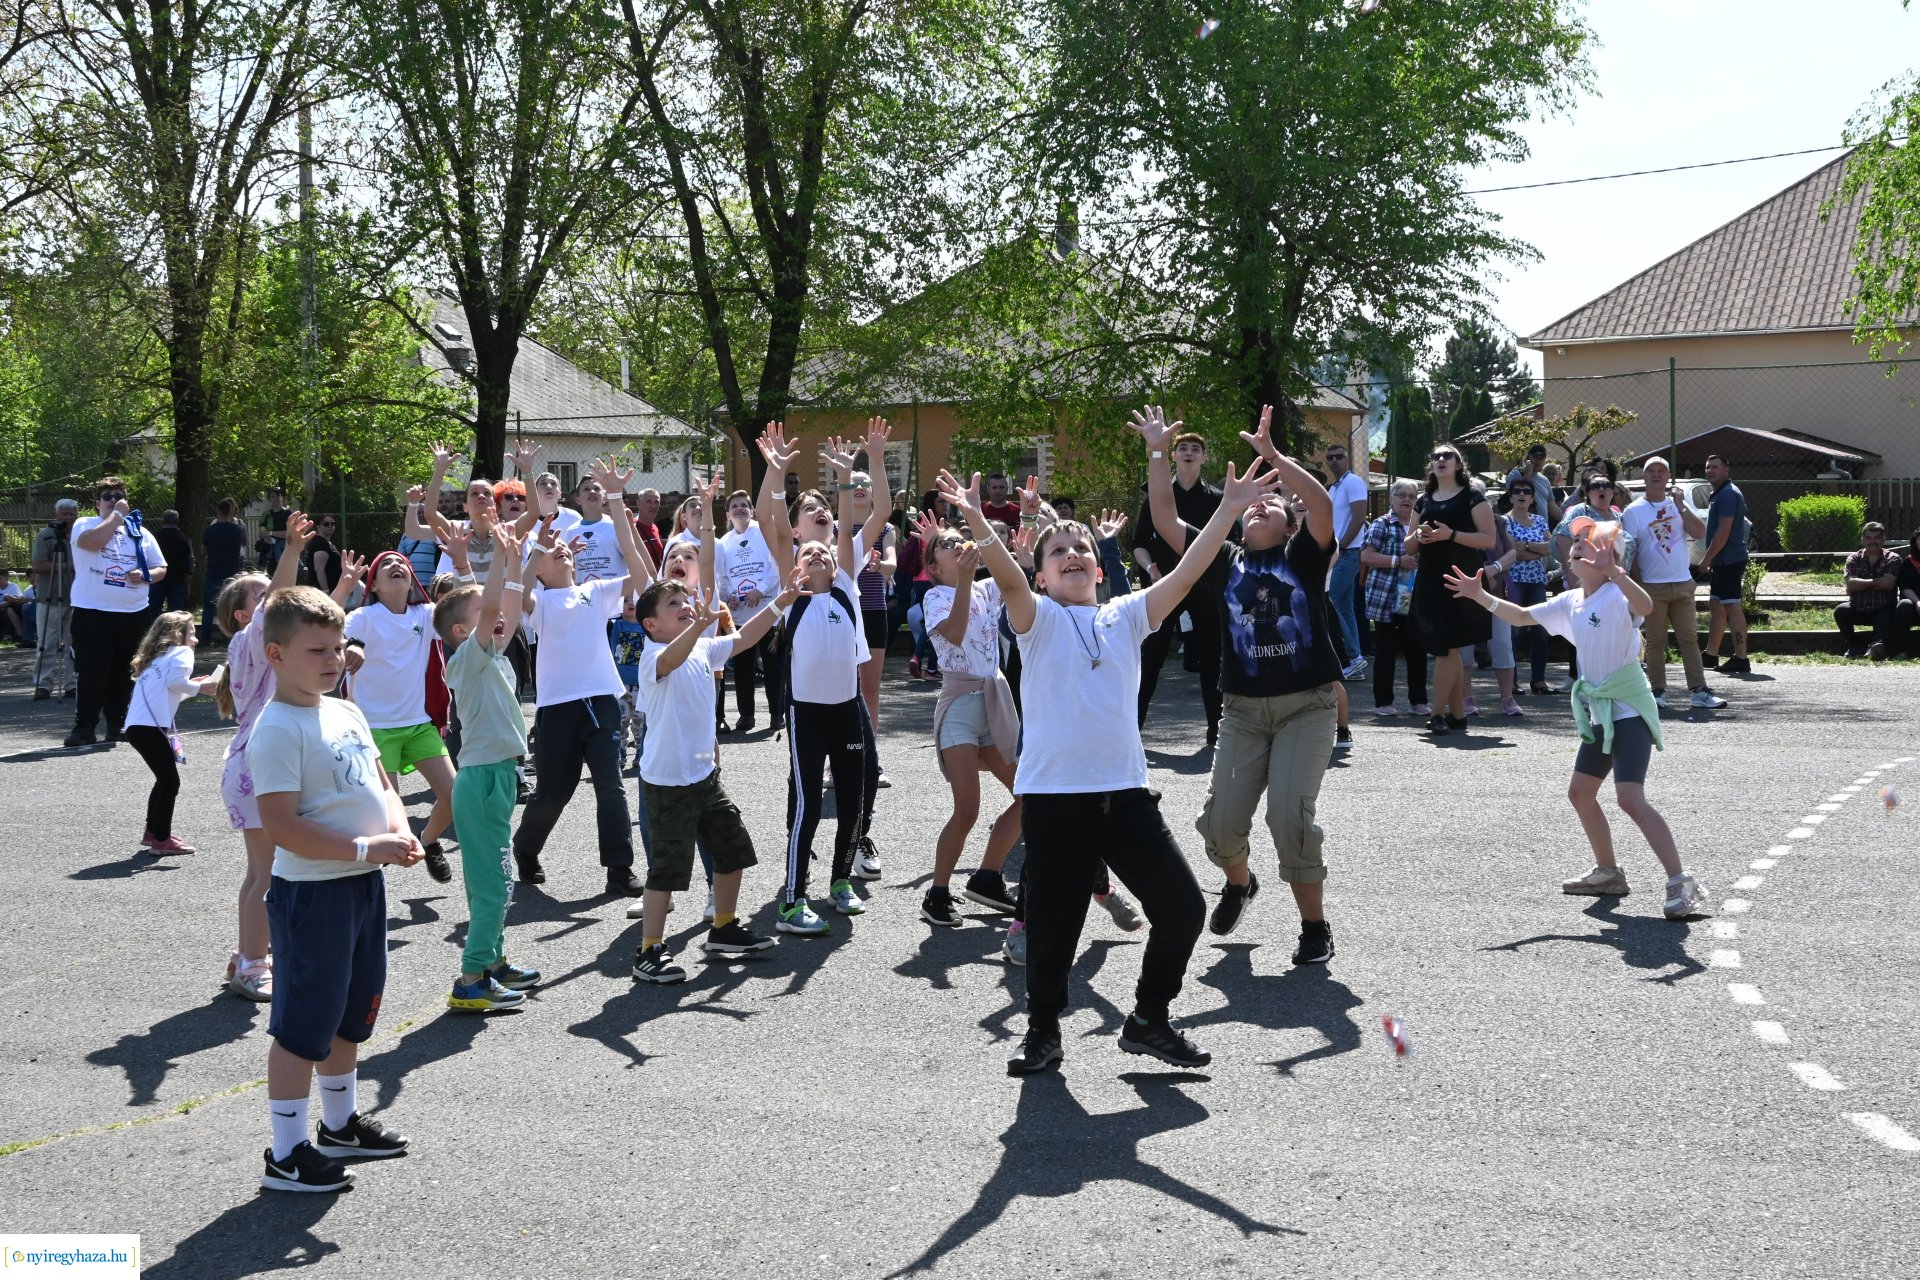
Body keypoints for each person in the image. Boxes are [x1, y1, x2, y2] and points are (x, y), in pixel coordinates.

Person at [955, 444, 1277, 1077]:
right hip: (1055, 800)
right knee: (1053, 926)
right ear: (1042, 576)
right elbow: (1009, 580)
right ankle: (1043, 1032)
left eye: (1080, 547)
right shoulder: (1036, 619)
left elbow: (1188, 571)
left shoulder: (1127, 615)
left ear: (1100, 567)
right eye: (1057, 551)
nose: (1071, 554)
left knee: (1183, 909)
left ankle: (1149, 1020)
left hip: (1125, 797)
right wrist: (978, 522)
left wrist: (1229, 510)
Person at [1138, 405, 1341, 961]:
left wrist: (1273, 457)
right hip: (1244, 713)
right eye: (1252, 505)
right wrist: (1157, 451)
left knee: (1287, 818)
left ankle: (1314, 927)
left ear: (1289, 525)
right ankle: (1240, 882)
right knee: (1221, 826)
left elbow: (1322, 505)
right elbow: (1163, 518)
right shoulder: (1223, 561)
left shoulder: (1304, 556)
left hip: (1306, 708)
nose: (1259, 506)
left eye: (1271, 504)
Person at [1445, 519, 1709, 920]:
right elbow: (1521, 616)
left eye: (1589, 542)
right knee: (1581, 794)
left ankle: (1680, 880)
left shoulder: (1618, 594)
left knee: (1629, 798)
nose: (1578, 545)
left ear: (1610, 557)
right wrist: (1480, 595)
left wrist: (1617, 573)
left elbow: (1646, 607)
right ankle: (1608, 873)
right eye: (1577, 542)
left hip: (1629, 710)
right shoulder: (1572, 601)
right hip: (1600, 712)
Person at [250, 585, 420, 1193]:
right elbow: (281, 826)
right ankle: (286, 1154)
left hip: (362, 887)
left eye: (339, 646)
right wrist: (365, 848)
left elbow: (383, 783)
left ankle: (340, 1126)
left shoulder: (346, 711)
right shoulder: (277, 729)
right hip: (313, 895)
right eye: (317, 650)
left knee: (350, 1015)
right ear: (275, 655)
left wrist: (400, 829)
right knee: (304, 1026)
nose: (333, 659)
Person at [757, 422, 892, 933]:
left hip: (846, 707)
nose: (818, 554)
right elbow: (774, 523)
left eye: (826, 551)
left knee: (855, 795)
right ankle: (793, 898)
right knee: (808, 803)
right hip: (807, 712)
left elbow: (871, 511)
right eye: (807, 551)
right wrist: (775, 473)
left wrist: (863, 465)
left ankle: (840, 880)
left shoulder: (847, 577)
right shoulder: (792, 585)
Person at [627, 577, 792, 982]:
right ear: (651, 624)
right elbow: (672, 660)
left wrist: (780, 603)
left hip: (705, 777)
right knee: (666, 870)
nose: (685, 606)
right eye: (673, 603)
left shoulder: (702, 647)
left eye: (685, 600)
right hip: (666, 784)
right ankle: (649, 950)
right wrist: (700, 624)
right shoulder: (652, 656)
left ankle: (724, 927)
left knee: (732, 850)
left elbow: (743, 639)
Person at [512, 458, 653, 896]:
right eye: (553, 552)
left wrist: (617, 501)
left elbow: (643, 577)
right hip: (557, 708)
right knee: (555, 792)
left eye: (565, 549)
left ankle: (619, 868)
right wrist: (537, 549)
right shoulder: (539, 602)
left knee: (611, 786)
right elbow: (514, 596)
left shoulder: (595, 591)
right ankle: (525, 847)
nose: (563, 550)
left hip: (603, 700)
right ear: (539, 570)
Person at [433, 525, 543, 1013]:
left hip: (498, 776)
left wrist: (516, 559)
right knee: (493, 884)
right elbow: (497, 604)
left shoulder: (494, 654)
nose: (496, 618)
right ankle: (471, 978)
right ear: (462, 632)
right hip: (480, 781)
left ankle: (493, 962)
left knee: (496, 881)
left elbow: (509, 607)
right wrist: (497, 556)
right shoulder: (466, 661)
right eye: (483, 614)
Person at [212, 511, 316, 1003]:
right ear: (242, 615)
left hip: (264, 762)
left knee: (265, 871)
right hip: (257, 767)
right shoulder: (250, 639)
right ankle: (253, 963)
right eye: (259, 594)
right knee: (268, 873)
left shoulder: (272, 646)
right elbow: (279, 601)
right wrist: (291, 549)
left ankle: (247, 954)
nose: (269, 595)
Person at [917, 517, 1024, 931]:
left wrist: (1031, 522)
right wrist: (963, 580)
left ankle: (988, 877)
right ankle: (937, 894)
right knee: (967, 810)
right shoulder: (934, 597)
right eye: (948, 544)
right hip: (960, 707)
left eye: (960, 540)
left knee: (1029, 796)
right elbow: (956, 633)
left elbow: (1019, 572)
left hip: (993, 704)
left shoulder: (984, 587)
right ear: (934, 567)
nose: (959, 545)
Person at [336, 544, 457, 884]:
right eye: (386, 563)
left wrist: (461, 562)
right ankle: (371, 884)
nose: (395, 564)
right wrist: (352, 646)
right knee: (387, 813)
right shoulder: (364, 617)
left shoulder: (426, 615)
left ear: (412, 582)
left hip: (418, 725)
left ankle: (429, 840)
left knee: (455, 795)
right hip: (374, 729)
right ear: (373, 585)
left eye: (401, 562)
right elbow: (337, 634)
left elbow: (465, 611)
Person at [1132, 429, 1226, 743]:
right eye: (1182, 447)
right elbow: (1138, 544)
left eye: (1195, 449)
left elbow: (1227, 544)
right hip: (1164, 586)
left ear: (1203, 458)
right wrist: (1151, 569)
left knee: (1212, 658)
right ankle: (1131, 730)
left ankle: (1217, 731)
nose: (1188, 452)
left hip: (1205, 588)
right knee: (1151, 657)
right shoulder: (1158, 497)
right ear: (1173, 455)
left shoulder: (1216, 498)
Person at [67, 477, 168, 748]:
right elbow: (92, 543)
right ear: (97, 502)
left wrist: (145, 575)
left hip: (133, 612)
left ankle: (117, 723)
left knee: (126, 672)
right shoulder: (85, 524)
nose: (113, 500)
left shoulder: (140, 532)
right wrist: (117, 517)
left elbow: (161, 568)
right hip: (93, 611)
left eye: (118, 496)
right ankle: (85, 726)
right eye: (107, 496)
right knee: (92, 671)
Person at [1620, 458, 1724, 708]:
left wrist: (1681, 505)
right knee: (1656, 642)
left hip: (1682, 584)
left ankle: (1699, 691)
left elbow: (1699, 532)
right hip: (1651, 587)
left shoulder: (1678, 505)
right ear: (1644, 477)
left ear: (1668, 476)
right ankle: (1657, 692)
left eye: (1661, 471)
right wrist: (1639, 586)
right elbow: (1631, 551)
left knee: (1689, 639)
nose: (1656, 475)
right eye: (1651, 471)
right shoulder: (1633, 511)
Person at [1406, 446, 1494, 736]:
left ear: (1458, 464)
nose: (1441, 460)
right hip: (1431, 578)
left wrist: (1451, 535)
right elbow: (1408, 546)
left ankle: (1436, 714)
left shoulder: (1473, 496)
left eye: (1447, 456)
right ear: (1431, 466)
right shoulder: (1424, 499)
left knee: (1445, 646)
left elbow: (1488, 539)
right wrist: (1419, 535)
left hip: (1461, 579)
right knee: (1449, 646)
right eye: (1436, 456)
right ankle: (1457, 714)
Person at [124, 610, 215, 855]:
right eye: (192, 633)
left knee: (163, 779)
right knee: (170, 782)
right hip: (150, 728)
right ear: (177, 635)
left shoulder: (156, 659)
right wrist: (201, 687)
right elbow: (176, 683)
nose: (195, 639)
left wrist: (195, 685)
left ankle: (153, 832)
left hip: (137, 727)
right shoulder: (182, 652)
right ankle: (161, 840)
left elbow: (170, 690)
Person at [715, 488, 781, 732]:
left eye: (744, 505)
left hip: (768, 612)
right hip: (740, 616)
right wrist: (729, 596)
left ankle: (777, 714)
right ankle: (746, 716)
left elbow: (777, 567)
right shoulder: (723, 542)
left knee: (773, 667)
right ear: (727, 515)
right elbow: (722, 577)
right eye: (734, 506)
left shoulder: (764, 532)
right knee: (743, 669)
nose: (739, 509)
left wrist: (760, 590)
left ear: (752, 510)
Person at [1360, 481, 1427, 716]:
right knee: (1385, 652)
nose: (1407, 499)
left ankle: (1419, 701)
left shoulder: (1423, 527)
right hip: (1386, 599)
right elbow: (1366, 556)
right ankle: (1383, 702)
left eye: (1412, 496)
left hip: (1416, 599)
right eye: (1401, 495)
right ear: (1391, 499)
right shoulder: (1382, 524)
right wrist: (1397, 561)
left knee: (1417, 651)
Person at [1484, 480, 1551, 715]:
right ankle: (1512, 683)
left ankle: (1539, 680)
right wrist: (1534, 550)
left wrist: (1527, 546)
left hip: (1537, 581)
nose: (1522, 495)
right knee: (1513, 632)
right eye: (1517, 491)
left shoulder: (1540, 520)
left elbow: (1551, 547)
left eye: (1527, 492)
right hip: (1513, 583)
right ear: (1510, 497)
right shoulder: (1505, 521)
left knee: (1541, 631)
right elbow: (1513, 553)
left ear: (1533, 498)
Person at [849, 469, 897, 764]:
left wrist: (881, 567)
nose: (859, 487)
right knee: (843, 690)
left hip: (874, 613)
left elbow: (892, 564)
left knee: (869, 689)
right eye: (853, 483)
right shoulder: (836, 527)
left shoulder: (885, 528)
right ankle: (840, 760)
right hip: (843, 614)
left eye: (865, 483)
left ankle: (869, 757)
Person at [1700, 453, 1752, 675]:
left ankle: (1741, 657)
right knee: (1716, 604)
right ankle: (1711, 654)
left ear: (1726, 470)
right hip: (1722, 560)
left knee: (1732, 606)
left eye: (1715, 467)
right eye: (1708, 467)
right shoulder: (1720, 493)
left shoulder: (1728, 494)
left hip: (1730, 559)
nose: (1710, 470)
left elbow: (1724, 530)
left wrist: (1707, 558)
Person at [1323, 441, 1370, 679]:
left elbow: (1359, 518)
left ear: (1347, 460)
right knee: (1344, 608)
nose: (1334, 461)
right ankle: (1355, 662)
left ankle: (1353, 657)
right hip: (1340, 553)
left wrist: (1340, 547)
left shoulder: (1353, 482)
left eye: (1338, 457)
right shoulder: (1334, 487)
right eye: (1330, 457)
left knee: (1329, 602)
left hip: (1347, 552)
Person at [30, 499, 78, 699]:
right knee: (47, 642)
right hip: (49, 596)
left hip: (76, 597)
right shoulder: (46, 535)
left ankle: (72, 684)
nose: (68, 518)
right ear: (56, 515)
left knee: (73, 644)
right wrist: (68, 566)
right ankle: (43, 684)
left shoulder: (81, 535)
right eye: (64, 514)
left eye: (72, 514)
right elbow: (37, 565)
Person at [1837, 521, 1901, 661]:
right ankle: (1854, 646)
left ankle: (1876, 648)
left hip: (1883, 608)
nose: (1873, 541)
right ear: (1862, 540)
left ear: (1883, 539)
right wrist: (1877, 582)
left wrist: (1859, 584)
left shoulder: (1893, 559)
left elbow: (1888, 585)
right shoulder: (1853, 558)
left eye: (1877, 537)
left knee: (1886, 616)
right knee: (1840, 611)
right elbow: (1851, 584)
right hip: (1858, 608)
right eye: (1868, 538)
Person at [202, 499, 247, 633]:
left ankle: (205, 635)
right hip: (232, 571)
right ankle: (229, 634)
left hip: (213, 570)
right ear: (231, 511)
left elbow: (203, 550)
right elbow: (243, 544)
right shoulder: (237, 529)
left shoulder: (210, 530)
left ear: (218, 511)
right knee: (230, 604)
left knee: (209, 605)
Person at [1505, 444, 1564, 527]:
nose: (1538, 461)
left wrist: (1565, 523)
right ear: (1528, 457)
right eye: (1535, 457)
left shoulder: (1544, 480)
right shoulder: (1515, 474)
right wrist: (1528, 474)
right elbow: (1517, 496)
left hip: (1541, 529)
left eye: (1541, 458)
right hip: (1519, 526)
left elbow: (1552, 506)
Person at [150, 510, 193, 619]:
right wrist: (188, 583)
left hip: (157, 580)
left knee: (152, 613)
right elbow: (190, 563)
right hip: (178, 580)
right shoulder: (184, 539)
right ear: (177, 521)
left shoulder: (154, 537)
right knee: (177, 616)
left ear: (162, 520)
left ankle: (151, 629)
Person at [1894, 527, 1920, 655]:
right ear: (1915, 542)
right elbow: (1905, 587)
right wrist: (1918, 602)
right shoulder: (1908, 563)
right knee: (1904, 605)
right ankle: (1903, 650)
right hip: (1915, 607)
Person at [306, 515, 343, 596]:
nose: (330, 526)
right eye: (326, 524)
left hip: (331, 589)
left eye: (332, 523)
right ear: (318, 527)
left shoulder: (327, 542)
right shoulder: (320, 543)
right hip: (320, 592)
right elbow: (319, 570)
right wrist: (326, 592)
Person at [632, 488, 666, 568]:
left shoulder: (655, 528)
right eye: (648, 502)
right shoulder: (631, 528)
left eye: (656, 502)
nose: (653, 506)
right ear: (638, 504)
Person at [260, 487, 290, 571]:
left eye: (278, 495)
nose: (276, 498)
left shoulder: (288, 513)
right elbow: (261, 533)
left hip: (284, 552)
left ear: (282, 497)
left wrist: (270, 533)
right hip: (268, 554)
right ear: (269, 499)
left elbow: (289, 534)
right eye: (273, 496)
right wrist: (265, 537)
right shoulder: (266, 514)